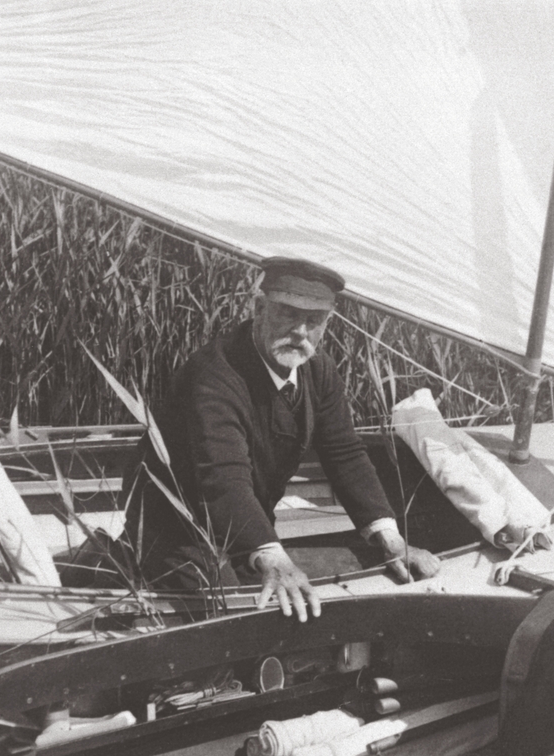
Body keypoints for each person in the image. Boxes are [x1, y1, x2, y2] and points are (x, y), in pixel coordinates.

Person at [120, 256, 439, 621]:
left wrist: (392, 540)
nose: (301, 331)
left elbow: (346, 455)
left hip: (245, 524)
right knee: (232, 612)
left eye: (314, 321)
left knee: (374, 565)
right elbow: (223, 478)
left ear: (326, 324)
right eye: (288, 314)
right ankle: (122, 558)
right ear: (259, 308)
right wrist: (272, 556)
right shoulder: (213, 375)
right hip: (174, 528)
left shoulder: (319, 372)